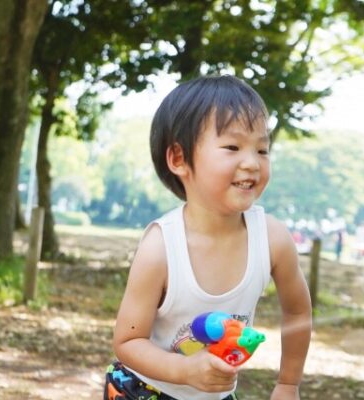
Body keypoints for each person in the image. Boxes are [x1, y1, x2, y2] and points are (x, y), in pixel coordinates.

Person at [105, 75, 312, 400]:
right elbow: (128, 341)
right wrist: (185, 371)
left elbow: (298, 311)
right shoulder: (162, 248)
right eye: (232, 147)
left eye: (262, 149)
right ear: (179, 159)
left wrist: (288, 384)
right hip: (143, 390)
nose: (252, 162)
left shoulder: (272, 239)